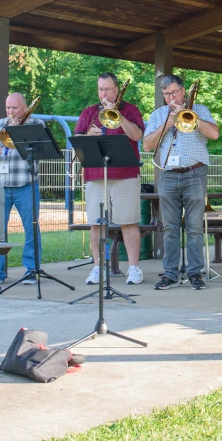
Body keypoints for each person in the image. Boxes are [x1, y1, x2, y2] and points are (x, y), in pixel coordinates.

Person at [142, 75, 219, 291]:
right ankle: (170, 274)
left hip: (195, 172)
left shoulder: (200, 109)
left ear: (183, 91)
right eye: (166, 94)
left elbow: (214, 134)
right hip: (168, 175)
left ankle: (195, 273)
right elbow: (147, 145)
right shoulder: (158, 115)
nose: (171, 97)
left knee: (194, 227)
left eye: (174, 92)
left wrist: (192, 117)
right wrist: (167, 124)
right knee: (169, 228)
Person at [74, 73, 145, 286]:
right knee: (96, 223)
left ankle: (134, 268)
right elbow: (77, 140)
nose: (103, 94)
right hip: (96, 174)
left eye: (107, 89)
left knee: (128, 221)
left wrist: (118, 116)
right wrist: (89, 136)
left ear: (116, 90)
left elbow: (137, 136)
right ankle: (97, 267)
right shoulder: (89, 112)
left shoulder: (130, 110)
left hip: (125, 174)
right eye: (100, 90)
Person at [0, 93, 46, 285]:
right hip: (1, 185)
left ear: (25, 107)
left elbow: (42, 152)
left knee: (31, 229)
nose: (11, 112)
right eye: (8, 108)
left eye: (15, 108)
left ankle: (31, 269)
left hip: (25, 184)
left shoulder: (36, 125)